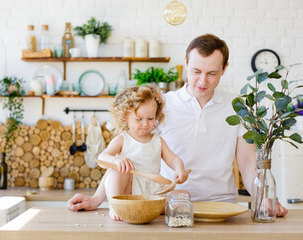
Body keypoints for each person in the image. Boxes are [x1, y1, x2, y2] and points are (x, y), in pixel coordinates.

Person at [67, 34, 288, 217]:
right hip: (168, 206)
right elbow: (126, 155)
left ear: (224, 68)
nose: (202, 81)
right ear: (185, 63)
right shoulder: (161, 105)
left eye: (212, 73)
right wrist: (97, 198)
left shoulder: (238, 107)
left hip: (221, 207)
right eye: (196, 72)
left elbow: (248, 164)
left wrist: (263, 198)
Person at [96, 85, 188, 220]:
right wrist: (116, 160)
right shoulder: (122, 139)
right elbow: (102, 158)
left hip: (153, 194)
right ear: (125, 117)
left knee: (185, 196)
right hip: (128, 195)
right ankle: (115, 207)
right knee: (116, 171)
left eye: (150, 119)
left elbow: (173, 159)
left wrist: (179, 168)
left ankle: (149, 208)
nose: (145, 124)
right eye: (139, 119)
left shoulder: (158, 141)